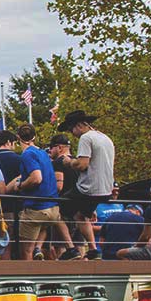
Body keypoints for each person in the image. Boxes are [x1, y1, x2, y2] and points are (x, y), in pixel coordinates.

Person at [54, 110, 115, 259]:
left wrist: (69, 162)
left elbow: (82, 164)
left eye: (71, 129)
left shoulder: (86, 138)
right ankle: (93, 250)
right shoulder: (105, 138)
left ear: (79, 125)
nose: (72, 133)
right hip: (106, 188)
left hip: (88, 188)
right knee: (81, 215)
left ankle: (70, 249)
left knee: (55, 213)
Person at [4, 126, 62, 260]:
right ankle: (38, 249)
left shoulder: (27, 154)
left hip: (36, 209)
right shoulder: (43, 153)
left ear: (18, 138)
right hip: (53, 209)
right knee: (41, 231)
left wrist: (20, 186)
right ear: (34, 137)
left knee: (26, 251)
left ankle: (30, 277)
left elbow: (36, 178)